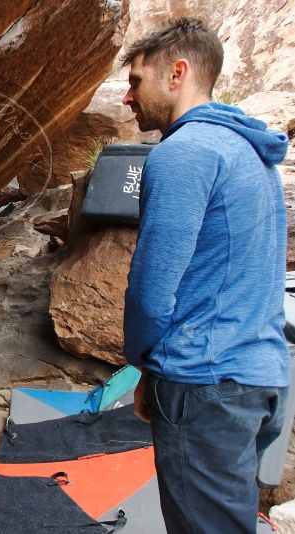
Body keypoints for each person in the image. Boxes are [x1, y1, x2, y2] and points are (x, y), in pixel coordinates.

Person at [120, 17, 291, 533]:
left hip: (204, 380)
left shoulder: (184, 153)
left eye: (136, 81)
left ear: (177, 73)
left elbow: (152, 290)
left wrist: (141, 365)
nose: (129, 98)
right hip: (260, 373)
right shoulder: (250, 154)